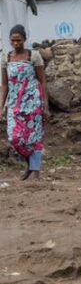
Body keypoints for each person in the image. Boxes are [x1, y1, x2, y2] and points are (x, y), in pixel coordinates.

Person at [0, 25, 48, 180]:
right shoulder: (5, 58)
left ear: (24, 40)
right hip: (14, 103)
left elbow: (42, 81)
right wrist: (1, 107)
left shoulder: (33, 56)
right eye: (13, 41)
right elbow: (4, 85)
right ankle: (30, 164)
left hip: (33, 101)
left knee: (34, 138)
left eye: (18, 40)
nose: (16, 43)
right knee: (14, 138)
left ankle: (35, 171)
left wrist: (45, 105)